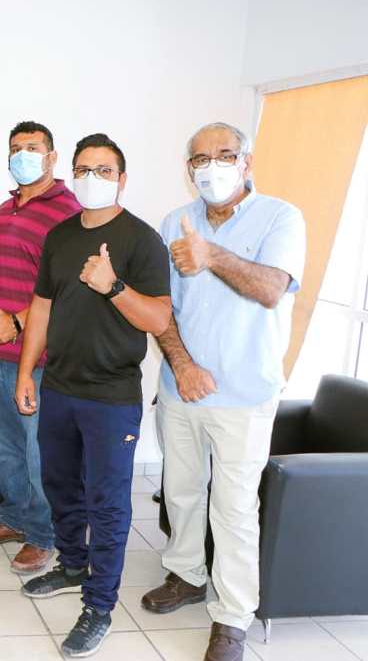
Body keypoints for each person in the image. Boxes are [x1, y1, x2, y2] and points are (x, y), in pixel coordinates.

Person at [142, 122, 306, 661]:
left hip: (245, 393)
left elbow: (272, 288)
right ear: (188, 168)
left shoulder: (281, 217)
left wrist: (211, 255)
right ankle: (186, 574)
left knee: (234, 508)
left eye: (225, 155)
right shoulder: (174, 221)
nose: (212, 166)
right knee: (181, 491)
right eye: (200, 158)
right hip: (181, 388)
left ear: (247, 162)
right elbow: (163, 308)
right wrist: (183, 366)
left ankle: (233, 616)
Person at [15, 134, 171, 658]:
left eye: (104, 170)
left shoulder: (142, 240)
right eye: (83, 169)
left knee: (106, 504)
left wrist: (113, 286)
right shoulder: (59, 236)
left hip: (111, 396)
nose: (91, 179)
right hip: (59, 387)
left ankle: (99, 605)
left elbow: (158, 319)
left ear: (122, 179)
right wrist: (25, 372)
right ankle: (71, 564)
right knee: (60, 486)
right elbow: (41, 307)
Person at [0, 121, 81, 573]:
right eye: (16, 148)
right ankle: (16, 517)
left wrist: (17, 322)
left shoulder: (69, 212)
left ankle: (44, 534)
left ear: (52, 157)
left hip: (38, 359)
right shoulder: (5, 208)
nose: (23, 155)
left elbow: (70, 288)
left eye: (32, 148)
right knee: (5, 444)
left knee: (39, 451)